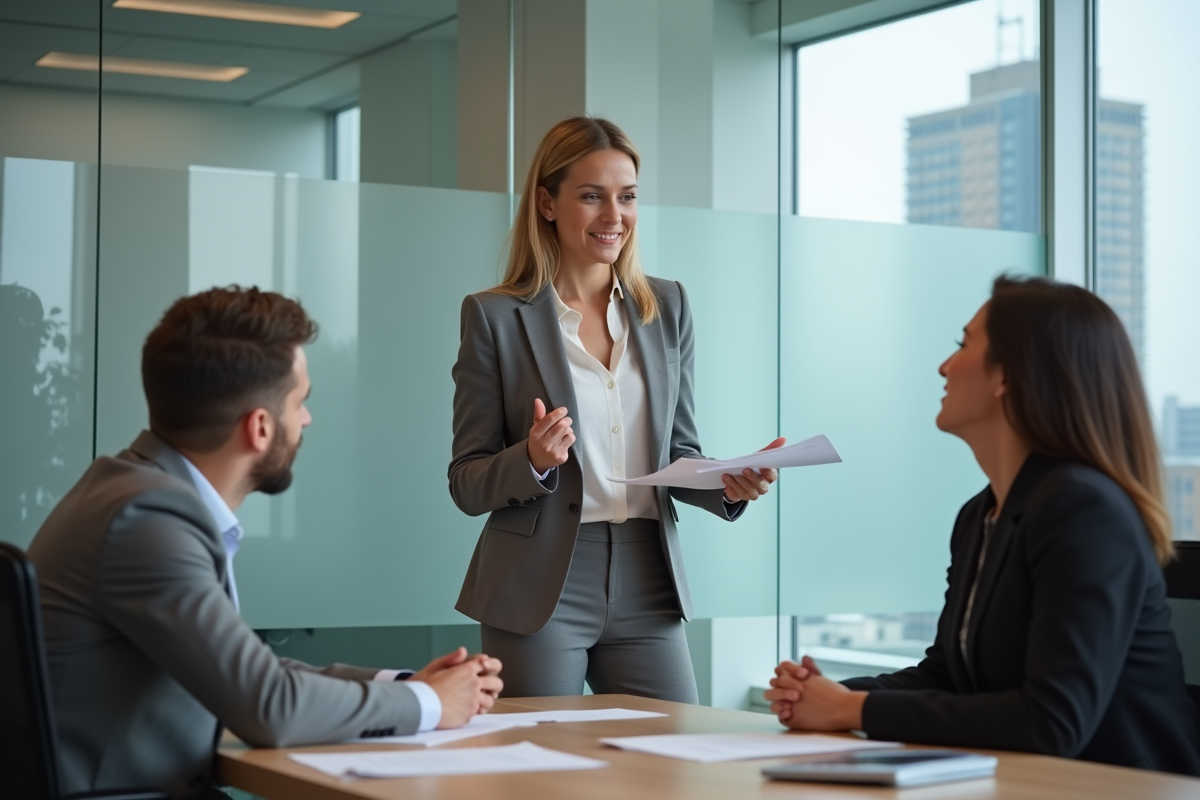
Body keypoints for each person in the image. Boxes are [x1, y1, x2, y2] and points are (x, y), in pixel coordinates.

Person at [28, 287, 503, 799]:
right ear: (259, 427)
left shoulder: (128, 489)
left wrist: (407, 685)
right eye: (301, 402)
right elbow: (268, 707)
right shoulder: (148, 522)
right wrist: (429, 706)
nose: (306, 420)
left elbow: (251, 669)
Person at [765, 275, 1200, 776]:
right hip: (1024, 781)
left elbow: (1052, 721)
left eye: (964, 344)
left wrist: (849, 710)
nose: (944, 366)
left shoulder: (1084, 510)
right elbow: (950, 675)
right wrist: (832, 693)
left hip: (1115, 787)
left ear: (1008, 376)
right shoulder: (982, 513)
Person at [448, 116, 781, 702]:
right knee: (546, 779)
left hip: (649, 578)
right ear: (547, 203)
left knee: (671, 770)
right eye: (591, 196)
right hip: (539, 580)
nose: (614, 216)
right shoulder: (494, 316)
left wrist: (727, 482)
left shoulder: (667, 306)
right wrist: (530, 459)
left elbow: (678, 451)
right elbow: (466, 482)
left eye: (626, 197)